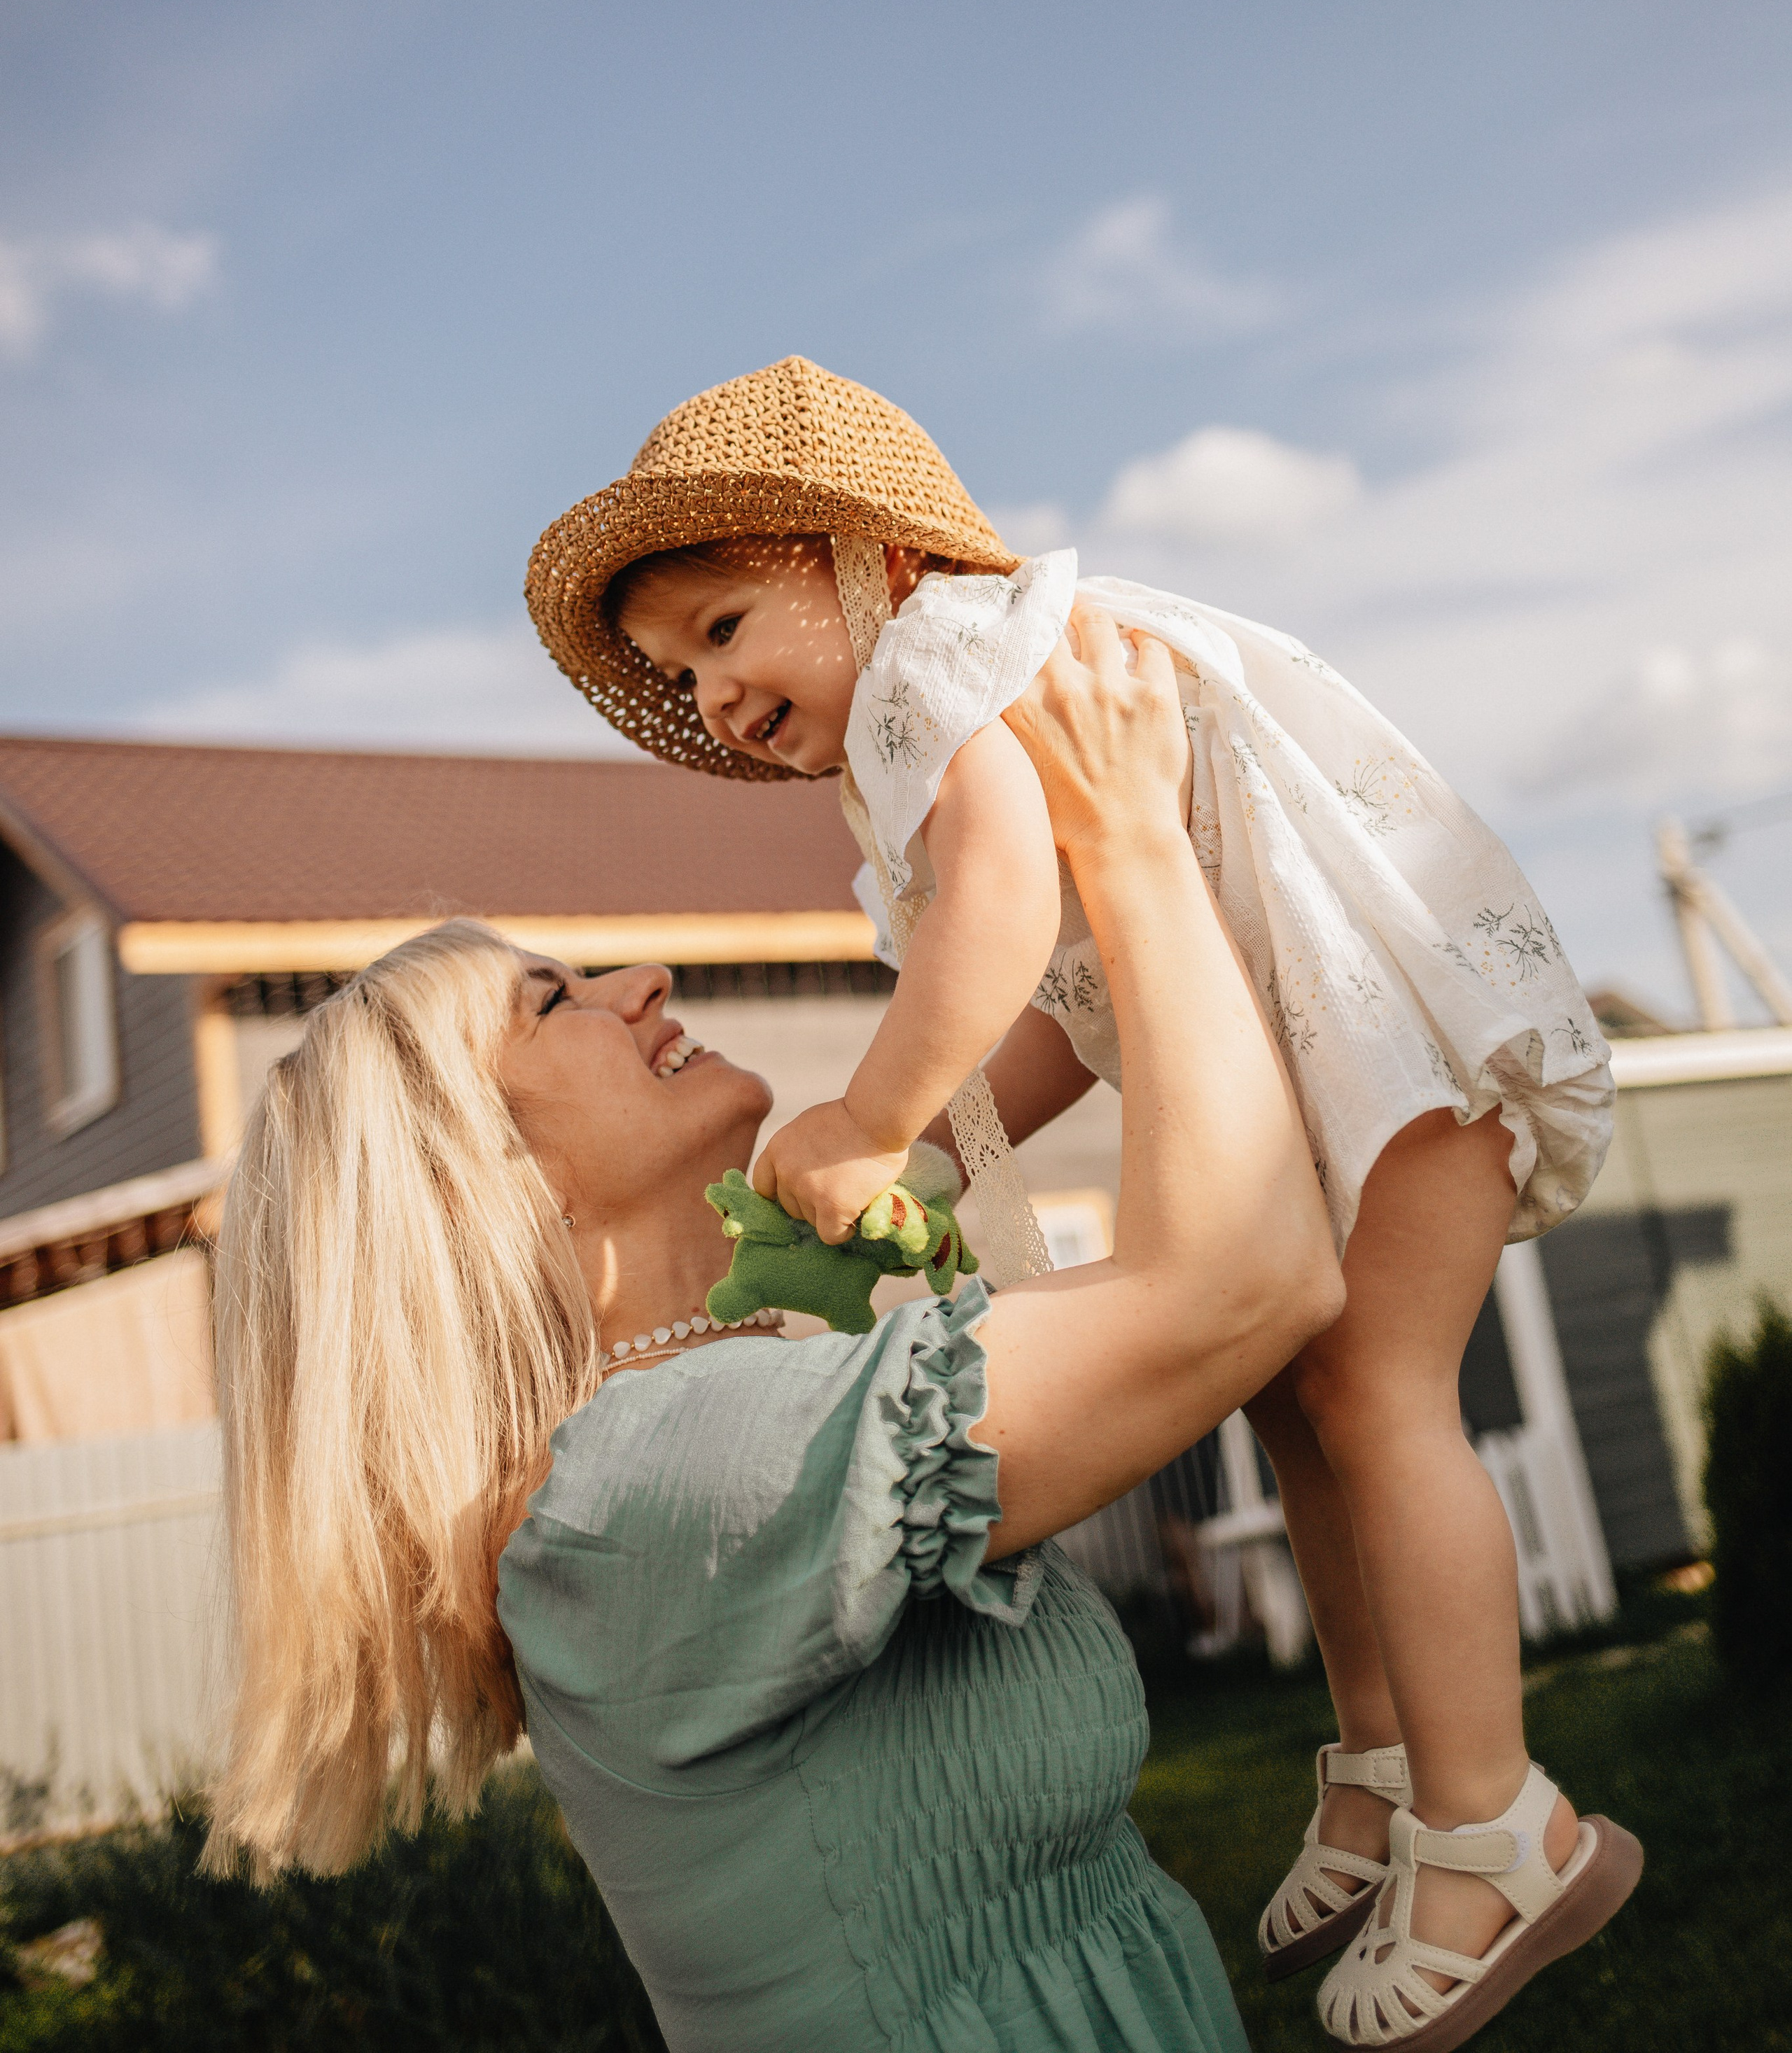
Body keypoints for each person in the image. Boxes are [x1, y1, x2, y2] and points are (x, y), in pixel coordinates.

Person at [524, 353, 1642, 2048]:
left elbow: (990, 915)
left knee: (1379, 1394)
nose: (715, 692)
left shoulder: (933, 674)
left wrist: (872, 1105)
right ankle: (1380, 1758)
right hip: (1327, 1052)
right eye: (684, 668)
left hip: (1383, 1039)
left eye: (728, 627)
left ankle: (1499, 1826)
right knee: (1290, 1390)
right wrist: (927, 1147)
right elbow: (1053, 1014)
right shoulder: (936, 709)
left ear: (866, 560)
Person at [204, 604, 1342, 2052]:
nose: (642, 984)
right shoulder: (644, 1491)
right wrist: (1126, 841)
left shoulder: (716, 1410)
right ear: (479, 1179)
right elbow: (1242, 1283)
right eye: (555, 1001)